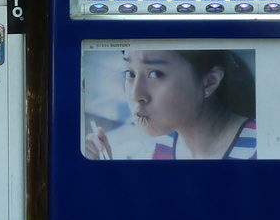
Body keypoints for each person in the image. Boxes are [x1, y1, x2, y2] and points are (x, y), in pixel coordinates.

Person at [84, 48, 257, 161]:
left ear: (209, 82)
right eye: (130, 73)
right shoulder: (165, 143)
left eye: (155, 74)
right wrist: (103, 165)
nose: (136, 95)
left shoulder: (259, 146)